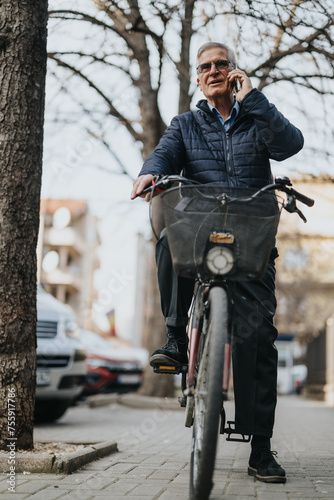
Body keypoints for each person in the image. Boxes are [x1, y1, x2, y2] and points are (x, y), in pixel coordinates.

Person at [131, 41, 304, 484]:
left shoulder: (256, 117)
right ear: (198, 78)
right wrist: (150, 172)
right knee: (168, 236)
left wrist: (254, 99)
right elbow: (165, 154)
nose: (212, 71)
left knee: (260, 340)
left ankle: (260, 449)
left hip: (251, 238)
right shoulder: (186, 124)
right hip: (200, 232)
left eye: (220, 64)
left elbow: (290, 145)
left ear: (234, 72)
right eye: (205, 66)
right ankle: (174, 339)